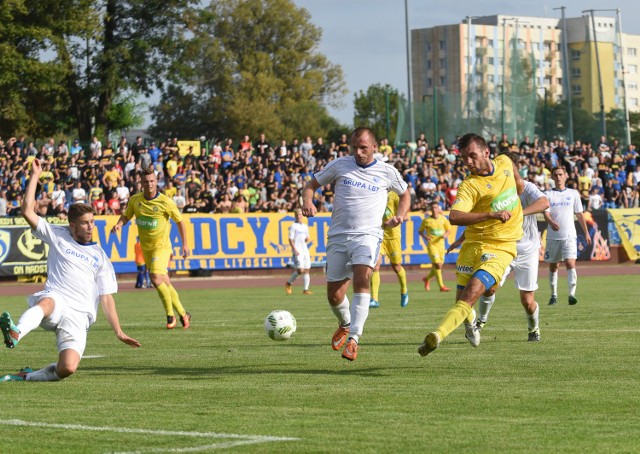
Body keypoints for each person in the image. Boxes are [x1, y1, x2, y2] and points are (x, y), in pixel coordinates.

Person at [1, 158, 140, 382]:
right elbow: (27, 211)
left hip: (80, 316)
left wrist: (119, 331)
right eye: (85, 223)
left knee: (67, 368)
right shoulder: (58, 234)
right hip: (57, 300)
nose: (90, 226)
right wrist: (35, 176)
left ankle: (27, 376)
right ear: (72, 225)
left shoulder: (99, 256)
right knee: (46, 302)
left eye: (92, 222)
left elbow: (106, 298)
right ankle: (16, 332)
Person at [301, 127, 410, 362]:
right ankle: (345, 323)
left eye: (363, 147)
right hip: (339, 236)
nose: (358, 152)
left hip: (369, 236)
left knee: (363, 279)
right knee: (334, 295)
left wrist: (400, 216)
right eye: (355, 148)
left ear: (374, 147)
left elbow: (405, 194)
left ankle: (354, 339)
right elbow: (310, 185)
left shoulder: (387, 171)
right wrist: (308, 202)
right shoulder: (340, 165)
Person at [418, 133, 523, 357]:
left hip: (501, 247)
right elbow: (454, 216)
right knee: (464, 302)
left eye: (472, 156)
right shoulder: (470, 185)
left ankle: (436, 336)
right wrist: (491, 214)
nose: (468, 162)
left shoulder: (505, 161)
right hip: (473, 245)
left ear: (487, 153)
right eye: (464, 158)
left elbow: (518, 181)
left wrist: (519, 187)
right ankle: (471, 323)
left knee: (473, 293)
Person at [450, 179, 549, 341]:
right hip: (502, 248)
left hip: (527, 251)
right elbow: (481, 221)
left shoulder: (526, 187)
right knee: (488, 287)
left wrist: (518, 213)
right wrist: (461, 240)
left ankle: (534, 328)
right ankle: (481, 320)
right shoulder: (494, 189)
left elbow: (544, 202)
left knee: (527, 301)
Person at [111, 168, 192, 329]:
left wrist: (184, 244)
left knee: (155, 278)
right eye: (146, 181)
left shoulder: (165, 201)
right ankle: (183, 313)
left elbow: (180, 221)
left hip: (162, 247)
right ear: (141, 183)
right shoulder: (135, 200)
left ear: (156, 182)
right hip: (146, 248)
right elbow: (127, 215)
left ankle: (170, 316)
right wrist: (119, 224)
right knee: (165, 282)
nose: (149, 184)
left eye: (152, 181)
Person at [544, 166, 592, 306]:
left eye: (560, 174)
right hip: (553, 236)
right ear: (552, 177)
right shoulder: (547, 194)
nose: (558, 177)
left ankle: (572, 294)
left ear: (565, 176)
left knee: (570, 263)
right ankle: (553, 295)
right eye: (555, 175)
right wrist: (551, 222)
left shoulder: (573, 193)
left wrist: (586, 232)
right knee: (554, 266)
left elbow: (579, 214)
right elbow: (546, 213)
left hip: (569, 235)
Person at [369, 191, 410, 308]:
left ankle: (404, 291)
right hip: (378, 236)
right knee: (375, 266)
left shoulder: (394, 195)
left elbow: (406, 216)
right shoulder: (374, 192)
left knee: (396, 267)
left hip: (393, 237)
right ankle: (374, 299)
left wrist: (394, 220)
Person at [418, 201, 452, 292]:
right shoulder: (426, 220)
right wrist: (425, 236)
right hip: (432, 245)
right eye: (432, 207)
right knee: (437, 265)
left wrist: (446, 234)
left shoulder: (443, 219)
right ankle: (441, 286)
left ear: (439, 208)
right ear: (430, 209)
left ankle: (427, 278)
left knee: (439, 266)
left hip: (441, 246)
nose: (434, 209)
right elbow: (420, 231)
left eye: (436, 207)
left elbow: (449, 229)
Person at [285, 209, 313, 295]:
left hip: (305, 250)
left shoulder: (305, 226)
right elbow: (290, 239)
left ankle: (305, 289)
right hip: (297, 250)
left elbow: (307, 238)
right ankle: (289, 283)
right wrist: (295, 249)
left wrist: (307, 239)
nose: (299, 216)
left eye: (300, 214)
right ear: (295, 216)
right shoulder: (293, 226)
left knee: (307, 269)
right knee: (300, 270)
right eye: (297, 214)